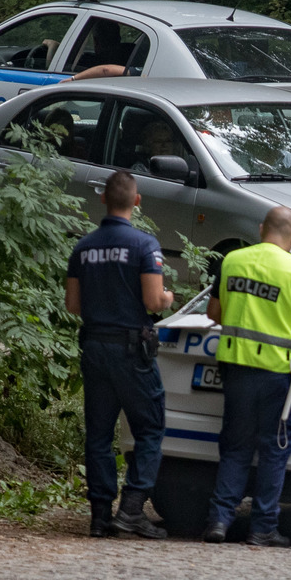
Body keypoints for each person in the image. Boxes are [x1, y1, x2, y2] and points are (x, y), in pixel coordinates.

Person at [202, 206, 291, 547]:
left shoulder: (232, 261)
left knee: (236, 446)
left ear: (261, 229)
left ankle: (219, 521)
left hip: (235, 367)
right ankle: (262, 528)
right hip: (278, 376)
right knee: (274, 449)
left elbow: (214, 312)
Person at [65, 170, 175, 539]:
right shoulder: (145, 246)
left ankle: (99, 517)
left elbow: (73, 305)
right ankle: (130, 510)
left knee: (98, 433)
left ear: (103, 200)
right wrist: (167, 298)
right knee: (150, 428)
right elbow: (152, 300)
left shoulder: (83, 247)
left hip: (94, 347)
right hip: (131, 352)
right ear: (137, 201)